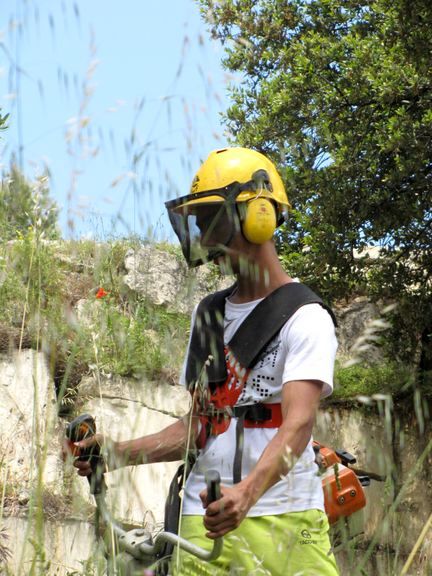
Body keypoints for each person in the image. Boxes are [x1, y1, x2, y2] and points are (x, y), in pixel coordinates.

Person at [67, 147, 339, 576]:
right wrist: (116, 453)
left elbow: (298, 425)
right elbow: (199, 427)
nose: (207, 241)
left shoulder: (306, 316)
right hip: (202, 518)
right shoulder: (208, 315)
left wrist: (246, 494)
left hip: (286, 515)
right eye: (200, 224)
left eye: (214, 220)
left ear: (259, 215)